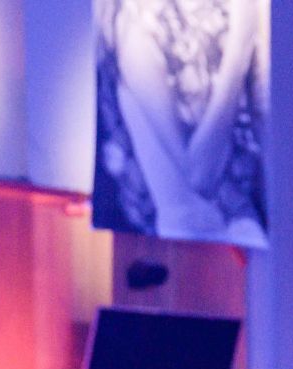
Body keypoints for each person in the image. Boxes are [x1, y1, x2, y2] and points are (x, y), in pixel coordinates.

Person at [96, 0, 267, 246]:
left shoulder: (212, 15)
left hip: (249, 227)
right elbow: (200, 176)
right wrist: (239, 45)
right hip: (194, 244)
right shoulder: (136, 33)